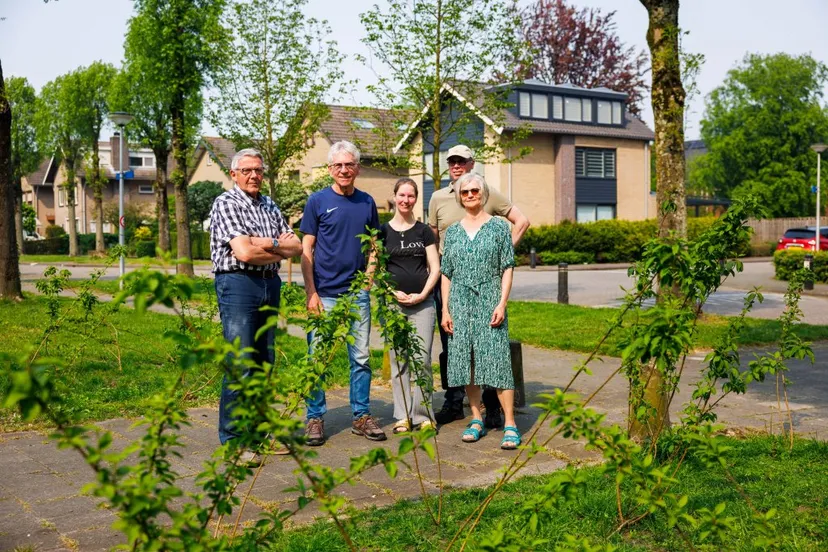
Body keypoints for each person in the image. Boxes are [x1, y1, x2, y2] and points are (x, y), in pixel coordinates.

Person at [210, 148, 303, 464]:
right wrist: (275, 247)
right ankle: (235, 441)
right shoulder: (226, 203)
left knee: (264, 360)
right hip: (238, 285)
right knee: (241, 361)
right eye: (247, 170)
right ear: (233, 174)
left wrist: (263, 243)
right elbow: (244, 255)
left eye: (259, 170)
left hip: (268, 284)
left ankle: (259, 433)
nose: (254, 176)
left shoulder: (269, 204)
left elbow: (296, 245)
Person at [428, 144, 529, 429]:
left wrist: (498, 256)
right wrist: (441, 297)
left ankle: (501, 415)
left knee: (494, 357)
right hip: (456, 292)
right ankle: (466, 411)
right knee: (461, 355)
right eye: (452, 162)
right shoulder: (441, 205)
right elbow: (436, 248)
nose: (456, 166)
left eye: (462, 161)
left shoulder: (493, 212)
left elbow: (517, 236)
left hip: (488, 292)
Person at [300, 140, 386, 446]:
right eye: (338, 165)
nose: (344, 170)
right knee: (316, 358)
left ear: (358, 168)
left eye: (349, 164)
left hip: (356, 296)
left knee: (361, 358)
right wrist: (311, 293)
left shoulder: (366, 202)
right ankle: (314, 418)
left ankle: (361, 416)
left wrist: (368, 281)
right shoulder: (317, 201)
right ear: (329, 169)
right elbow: (306, 249)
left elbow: (375, 246)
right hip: (323, 293)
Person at [440, 173, 519, 449]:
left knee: (498, 361)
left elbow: (507, 267)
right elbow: (446, 273)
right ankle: (476, 418)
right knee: (467, 363)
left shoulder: (498, 227)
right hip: (459, 303)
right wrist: (445, 310)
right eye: (465, 192)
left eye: (475, 190)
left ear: (483, 194)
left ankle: (510, 422)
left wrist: (502, 302)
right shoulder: (451, 232)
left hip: (490, 300)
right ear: (460, 197)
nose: (470, 195)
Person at [379, 178, 441, 434]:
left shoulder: (424, 231)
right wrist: (392, 292)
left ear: (416, 199)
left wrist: (422, 294)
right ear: (394, 197)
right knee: (399, 360)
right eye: (402, 195)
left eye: (411, 196)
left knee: (422, 358)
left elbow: (435, 267)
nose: (406, 200)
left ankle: (423, 414)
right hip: (393, 305)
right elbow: (376, 270)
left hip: (422, 304)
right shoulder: (382, 232)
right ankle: (403, 415)